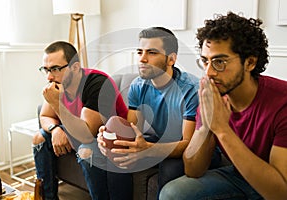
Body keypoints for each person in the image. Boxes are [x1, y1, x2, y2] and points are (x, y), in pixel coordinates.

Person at [159, 12, 287, 200]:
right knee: (173, 193)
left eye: (219, 62)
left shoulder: (282, 102)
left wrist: (222, 130)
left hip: (276, 180)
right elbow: (193, 169)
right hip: (239, 176)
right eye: (205, 61)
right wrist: (206, 127)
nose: (209, 72)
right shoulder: (214, 96)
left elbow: (279, 193)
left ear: (250, 62)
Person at [97, 27, 203, 198]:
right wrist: (109, 137)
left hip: (197, 150)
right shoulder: (138, 86)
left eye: (152, 53)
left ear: (171, 59)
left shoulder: (190, 90)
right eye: (140, 52)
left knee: (170, 168)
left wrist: (147, 149)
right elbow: (131, 130)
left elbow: (189, 144)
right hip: (161, 140)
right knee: (118, 156)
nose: (142, 59)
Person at [32, 41, 132, 200]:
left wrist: (57, 104)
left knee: (87, 150)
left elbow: (87, 134)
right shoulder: (57, 83)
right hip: (78, 131)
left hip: (108, 139)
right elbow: (45, 116)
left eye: (56, 69)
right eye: (46, 69)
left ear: (75, 67)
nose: (49, 76)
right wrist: (55, 129)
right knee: (39, 138)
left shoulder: (97, 83)